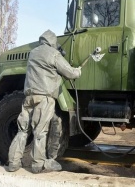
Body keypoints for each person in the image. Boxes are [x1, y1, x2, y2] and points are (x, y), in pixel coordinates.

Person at [8, 29, 82, 173]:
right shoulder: (54, 54)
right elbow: (70, 73)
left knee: (22, 131)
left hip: (29, 97)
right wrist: (78, 70)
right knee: (40, 132)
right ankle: (37, 166)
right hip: (44, 99)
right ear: (53, 41)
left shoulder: (33, 52)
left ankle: (13, 163)